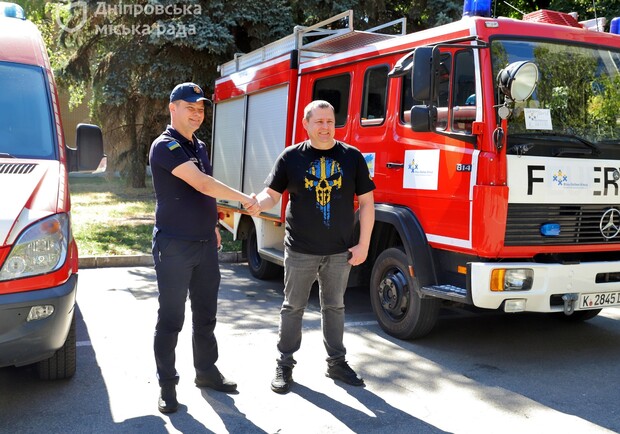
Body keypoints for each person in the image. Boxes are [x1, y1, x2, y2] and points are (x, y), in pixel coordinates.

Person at [252, 100, 375, 394]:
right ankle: (285, 363)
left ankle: (336, 362)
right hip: (300, 250)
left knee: (334, 307)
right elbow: (271, 195)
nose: (325, 127)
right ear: (306, 124)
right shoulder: (291, 157)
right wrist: (256, 204)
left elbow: (368, 203)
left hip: (339, 251)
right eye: (318, 121)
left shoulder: (352, 157)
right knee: (292, 307)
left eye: (330, 121)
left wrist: (364, 245)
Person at [149, 82, 258, 414]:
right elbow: (202, 182)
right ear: (173, 108)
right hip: (174, 245)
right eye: (190, 108)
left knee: (206, 316)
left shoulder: (199, 145)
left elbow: (200, 195)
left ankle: (206, 373)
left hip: (204, 245)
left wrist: (212, 225)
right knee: (171, 320)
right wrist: (244, 200)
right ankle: (168, 386)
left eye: (201, 109)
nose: (197, 114)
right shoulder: (165, 146)